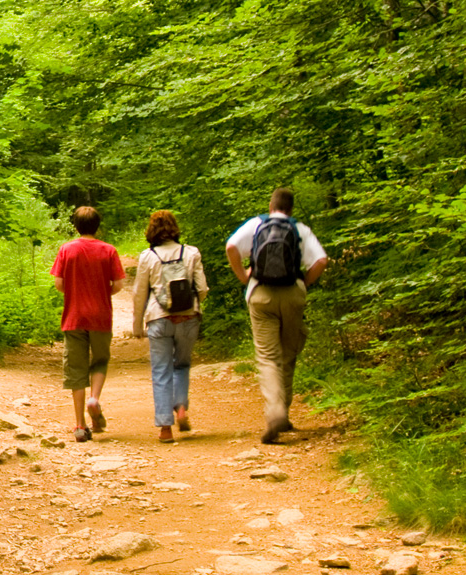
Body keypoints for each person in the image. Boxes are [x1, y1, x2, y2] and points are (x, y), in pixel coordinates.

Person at [225, 187, 330, 444]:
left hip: (261, 294)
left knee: (268, 357)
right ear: (290, 209)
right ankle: (285, 411)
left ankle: (275, 410)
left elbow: (231, 247)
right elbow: (322, 261)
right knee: (288, 353)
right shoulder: (299, 229)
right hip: (293, 293)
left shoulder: (256, 224)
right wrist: (304, 281)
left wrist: (243, 276)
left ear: (271, 206)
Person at [130, 210, 208, 443]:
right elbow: (202, 289)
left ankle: (165, 427)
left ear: (151, 230)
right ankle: (181, 407)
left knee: (161, 371)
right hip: (188, 319)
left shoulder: (148, 256)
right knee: (182, 365)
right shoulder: (191, 253)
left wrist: (137, 326)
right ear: (174, 228)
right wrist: (190, 304)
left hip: (159, 319)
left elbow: (139, 293)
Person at [51, 205, 127, 442]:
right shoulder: (108, 250)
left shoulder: (66, 250)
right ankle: (94, 398)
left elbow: (59, 284)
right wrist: (102, 292)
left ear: (75, 226)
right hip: (101, 316)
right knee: (100, 361)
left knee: (76, 369)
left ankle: (80, 425)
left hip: (74, 317)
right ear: (98, 225)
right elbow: (118, 285)